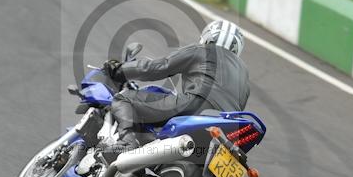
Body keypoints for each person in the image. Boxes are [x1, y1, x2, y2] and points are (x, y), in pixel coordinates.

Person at [103, 19, 251, 151]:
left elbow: (160, 67)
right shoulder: (244, 74)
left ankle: (127, 142)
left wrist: (120, 70)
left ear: (208, 37)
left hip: (195, 105)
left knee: (124, 99)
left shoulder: (203, 50)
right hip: (229, 124)